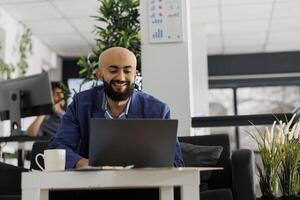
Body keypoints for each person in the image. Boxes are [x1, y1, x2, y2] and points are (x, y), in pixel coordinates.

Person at [48, 47, 184, 169]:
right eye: (113, 70)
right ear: (99, 74)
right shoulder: (80, 104)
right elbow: (59, 145)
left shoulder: (158, 110)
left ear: (136, 74)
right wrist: (83, 163)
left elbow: (176, 162)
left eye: (127, 70)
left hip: (142, 187)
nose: (121, 77)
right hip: (93, 185)